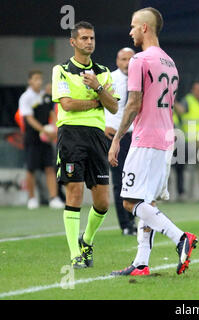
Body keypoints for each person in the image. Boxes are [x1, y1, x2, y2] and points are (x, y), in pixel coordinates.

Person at [108, 7, 198, 276]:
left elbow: (134, 103)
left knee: (129, 201)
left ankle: (180, 237)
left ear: (145, 28)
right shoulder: (170, 63)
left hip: (145, 139)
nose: (131, 31)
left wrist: (117, 139)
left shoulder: (140, 60)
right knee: (148, 202)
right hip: (165, 139)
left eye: (134, 26)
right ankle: (141, 262)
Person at [52, 21, 119, 268]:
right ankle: (74, 255)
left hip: (96, 136)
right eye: (83, 38)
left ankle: (86, 240)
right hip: (71, 135)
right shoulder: (61, 70)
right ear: (73, 42)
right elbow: (67, 104)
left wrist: (97, 87)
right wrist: (96, 101)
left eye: (91, 38)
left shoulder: (102, 72)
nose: (88, 42)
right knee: (75, 192)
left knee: (102, 202)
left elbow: (113, 105)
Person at [18, 71, 64, 210]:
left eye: (40, 79)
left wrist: (54, 129)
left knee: (50, 168)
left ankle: (53, 198)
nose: (39, 81)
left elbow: (52, 113)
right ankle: (32, 199)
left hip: (46, 139)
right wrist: (43, 131)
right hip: (32, 138)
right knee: (31, 169)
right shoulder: (26, 97)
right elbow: (29, 118)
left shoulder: (45, 96)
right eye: (35, 79)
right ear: (30, 81)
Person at [105, 47, 137, 236]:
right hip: (115, 136)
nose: (126, 63)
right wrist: (103, 126)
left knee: (135, 180)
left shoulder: (141, 78)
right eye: (123, 59)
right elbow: (98, 105)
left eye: (130, 59)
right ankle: (125, 224)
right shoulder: (109, 79)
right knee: (119, 180)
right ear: (117, 61)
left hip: (136, 135)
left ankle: (133, 220)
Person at [175, 80, 199, 202]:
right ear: (192, 90)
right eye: (197, 90)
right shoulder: (188, 100)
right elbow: (181, 110)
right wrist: (172, 100)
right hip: (192, 140)